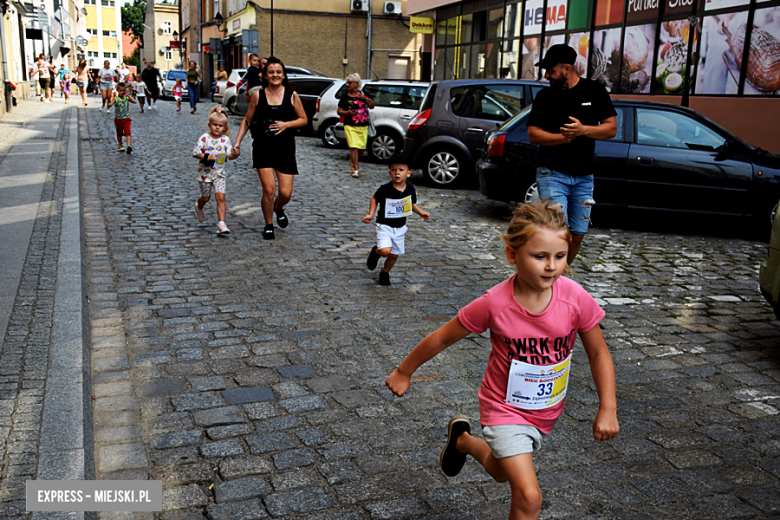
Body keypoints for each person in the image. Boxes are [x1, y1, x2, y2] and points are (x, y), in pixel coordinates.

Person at [385, 202, 620, 520]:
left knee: (499, 470)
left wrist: (608, 407)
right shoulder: (495, 303)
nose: (551, 266)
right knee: (528, 496)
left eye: (559, 256)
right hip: (503, 408)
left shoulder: (575, 299)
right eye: (540, 256)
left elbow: (598, 352)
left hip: (545, 410)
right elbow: (443, 336)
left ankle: (463, 442)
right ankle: (469, 441)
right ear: (513, 255)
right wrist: (404, 370)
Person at [527, 44, 617, 266]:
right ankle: (551, 277)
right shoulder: (545, 96)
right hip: (552, 173)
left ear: (567, 68)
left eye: (551, 70)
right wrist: (563, 138)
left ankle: (559, 277)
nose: (546, 74)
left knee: (577, 234)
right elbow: (533, 134)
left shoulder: (594, 91)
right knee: (558, 231)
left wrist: (583, 130)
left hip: (584, 176)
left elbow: (611, 128)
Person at [233, 57, 307, 240]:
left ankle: (278, 207)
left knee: (285, 193)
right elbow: (247, 120)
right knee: (269, 189)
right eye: (271, 72)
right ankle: (268, 224)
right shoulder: (258, 95)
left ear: (283, 75)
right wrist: (237, 143)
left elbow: (303, 119)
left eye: (278, 72)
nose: (275, 75)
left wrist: (286, 125)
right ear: (265, 75)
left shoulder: (292, 95)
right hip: (263, 146)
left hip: (285, 148)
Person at [362, 155, 430, 286]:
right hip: (384, 225)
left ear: (408, 173)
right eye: (393, 170)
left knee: (394, 255)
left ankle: (384, 273)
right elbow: (374, 198)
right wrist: (371, 214)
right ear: (390, 173)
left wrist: (421, 212)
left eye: (401, 170)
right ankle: (376, 251)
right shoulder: (385, 189)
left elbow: (412, 204)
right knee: (385, 251)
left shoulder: (410, 189)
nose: (397, 173)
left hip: (400, 227)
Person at [193, 107, 240, 235]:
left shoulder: (225, 140)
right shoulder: (204, 138)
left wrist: (235, 154)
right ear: (209, 125)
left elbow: (229, 156)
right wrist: (207, 156)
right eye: (215, 125)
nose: (217, 128)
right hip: (205, 174)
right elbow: (195, 152)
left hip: (219, 173)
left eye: (220, 125)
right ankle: (199, 205)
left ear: (224, 127)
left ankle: (221, 223)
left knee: (221, 197)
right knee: (206, 197)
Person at [337, 73, 375, 178]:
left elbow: (372, 106)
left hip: (363, 124)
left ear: (356, 84)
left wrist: (365, 98)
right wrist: (347, 113)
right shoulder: (345, 97)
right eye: (347, 83)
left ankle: (353, 160)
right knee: (353, 146)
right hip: (350, 124)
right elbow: (339, 111)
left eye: (350, 83)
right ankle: (356, 169)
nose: (347, 85)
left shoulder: (363, 94)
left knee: (361, 147)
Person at [107, 81, 137, 153]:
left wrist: (129, 96)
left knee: (127, 132)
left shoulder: (126, 98)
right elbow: (111, 103)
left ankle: (129, 145)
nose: (122, 92)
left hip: (126, 118)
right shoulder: (116, 98)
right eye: (120, 91)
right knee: (119, 133)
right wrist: (110, 105)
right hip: (118, 119)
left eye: (123, 91)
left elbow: (135, 101)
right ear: (117, 90)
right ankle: (120, 144)